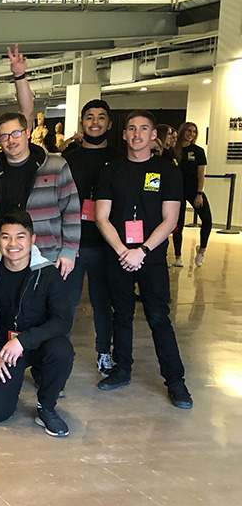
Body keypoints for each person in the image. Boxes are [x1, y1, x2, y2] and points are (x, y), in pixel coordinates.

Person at [94, 111, 192, 409]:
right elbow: (101, 217)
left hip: (152, 257)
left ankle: (175, 381)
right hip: (119, 256)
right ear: (124, 134)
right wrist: (123, 251)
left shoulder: (168, 170)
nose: (137, 134)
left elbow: (170, 219)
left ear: (153, 135)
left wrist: (143, 251)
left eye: (144, 129)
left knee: (159, 318)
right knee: (121, 315)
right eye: (132, 128)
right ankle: (122, 369)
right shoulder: (110, 170)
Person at [0, 211, 75, 437]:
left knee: (62, 350)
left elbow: (62, 321)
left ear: (32, 239)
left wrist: (23, 341)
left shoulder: (48, 273)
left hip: (35, 345)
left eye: (20, 236)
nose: (13, 244)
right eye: (6, 237)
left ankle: (46, 407)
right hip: (1, 349)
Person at [0, 111, 80, 280]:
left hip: (51, 259)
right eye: (4, 136)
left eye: (16, 133)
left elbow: (71, 210)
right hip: (8, 263)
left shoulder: (56, 166)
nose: (11, 140)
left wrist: (69, 250)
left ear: (28, 132)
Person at [62, 100, 119, 376]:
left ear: (109, 123)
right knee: (65, 304)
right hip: (72, 244)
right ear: (82, 123)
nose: (95, 122)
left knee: (102, 304)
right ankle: (59, 358)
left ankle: (104, 352)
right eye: (89, 117)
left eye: (101, 117)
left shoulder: (120, 159)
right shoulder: (68, 159)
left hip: (107, 244)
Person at [172, 121, 212, 268]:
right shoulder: (173, 150)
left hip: (194, 190)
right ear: (183, 131)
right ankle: (178, 257)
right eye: (189, 131)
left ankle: (201, 250)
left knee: (207, 220)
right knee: (178, 225)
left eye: (194, 132)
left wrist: (199, 193)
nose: (191, 134)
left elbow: (201, 174)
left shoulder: (198, 151)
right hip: (177, 191)